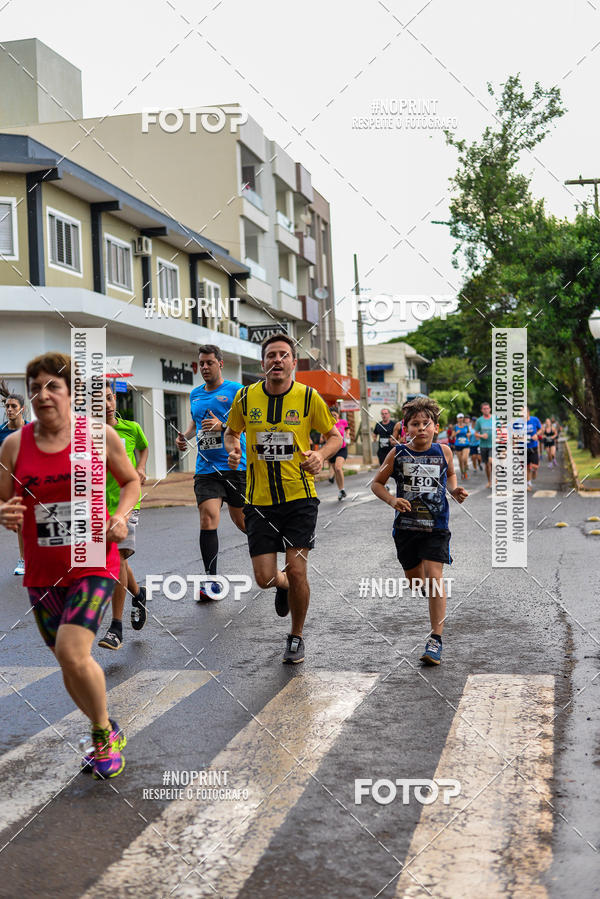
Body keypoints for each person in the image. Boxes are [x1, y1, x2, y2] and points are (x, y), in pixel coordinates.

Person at [0, 352, 140, 779]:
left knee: (71, 650)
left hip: (93, 561)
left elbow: (131, 480)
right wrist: (5, 512)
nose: (43, 395)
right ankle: (107, 725)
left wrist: (121, 516)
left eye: (53, 386)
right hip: (42, 571)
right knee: (70, 662)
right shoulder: (14, 445)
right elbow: (4, 499)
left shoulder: (99, 436)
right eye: (35, 388)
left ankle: (102, 738)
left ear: (71, 393)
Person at [224, 334, 342, 664]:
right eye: (271, 355)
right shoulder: (245, 397)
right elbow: (231, 432)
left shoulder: (308, 397)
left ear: (293, 363)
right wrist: (232, 449)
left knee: (298, 569)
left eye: (284, 355)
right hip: (259, 500)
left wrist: (320, 455)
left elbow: (334, 436)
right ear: (263, 363)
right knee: (264, 578)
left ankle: (296, 635)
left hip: (299, 498)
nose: (277, 360)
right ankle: (283, 584)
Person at [371, 396, 467, 666]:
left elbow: (449, 475)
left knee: (435, 577)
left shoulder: (444, 451)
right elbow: (376, 483)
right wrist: (392, 500)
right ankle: (425, 590)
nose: (421, 428)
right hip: (406, 528)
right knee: (416, 582)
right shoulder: (398, 454)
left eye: (427, 423)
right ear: (406, 428)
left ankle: (435, 639)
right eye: (415, 424)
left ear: (436, 427)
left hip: (436, 526)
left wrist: (454, 490)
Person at [176, 345, 246, 602]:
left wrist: (223, 425)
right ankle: (210, 582)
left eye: (209, 362)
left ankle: (270, 554)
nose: (204, 367)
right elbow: (196, 422)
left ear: (220, 364)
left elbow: (248, 422)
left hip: (235, 466)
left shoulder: (236, 390)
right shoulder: (195, 394)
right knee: (208, 519)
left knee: (243, 523)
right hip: (206, 469)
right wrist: (185, 436)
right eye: (201, 363)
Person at [97, 384, 149, 650]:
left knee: (117, 558)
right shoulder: (86, 434)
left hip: (127, 503)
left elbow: (144, 447)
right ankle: (138, 593)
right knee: (114, 560)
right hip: (99, 506)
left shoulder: (131, 428)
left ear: (115, 398)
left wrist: (141, 467)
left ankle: (115, 628)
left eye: (109, 398)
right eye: (99, 401)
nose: (106, 405)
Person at [0, 384, 29, 575]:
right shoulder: (1, 432)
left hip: (34, 482)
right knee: (20, 523)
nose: (9, 410)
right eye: (7, 406)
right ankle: (23, 560)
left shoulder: (32, 430)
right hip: (12, 484)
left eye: (13, 406)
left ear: (22, 409)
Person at [327, 408, 349, 501]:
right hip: (332, 450)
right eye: (331, 415)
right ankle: (341, 490)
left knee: (338, 468)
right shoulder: (328, 424)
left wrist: (347, 434)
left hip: (342, 449)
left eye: (335, 415)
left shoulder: (343, 422)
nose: (333, 416)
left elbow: (347, 429)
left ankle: (342, 489)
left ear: (338, 415)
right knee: (336, 471)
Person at [475, 402, 495, 489]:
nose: (486, 410)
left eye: (488, 408)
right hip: (483, 445)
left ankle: (495, 479)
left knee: (491, 461)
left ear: (490, 409)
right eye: (484, 409)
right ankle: (489, 481)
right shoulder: (479, 421)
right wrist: (482, 436)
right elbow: (476, 434)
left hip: (493, 445)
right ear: (482, 410)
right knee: (487, 465)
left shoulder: (495, 419)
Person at [526, 407, 543, 490]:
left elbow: (541, 429)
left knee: (535, 466)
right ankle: (528, 484)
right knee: (526, 467)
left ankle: (534, 470)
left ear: (528, 413)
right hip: (524, 447)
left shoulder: (535, 419)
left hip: (533, 446)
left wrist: (537, 434)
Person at [454, 413, 471, 480]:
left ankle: (466, 468)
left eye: (462, 418)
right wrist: (456, 433)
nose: (461, 419)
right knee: (460, 461)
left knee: (464, 459)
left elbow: (469, 432)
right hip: (458, 445)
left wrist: (468, 434)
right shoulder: (455, 427)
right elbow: (452, 436)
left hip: (466, 444)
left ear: (463, 418)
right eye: (459, 418)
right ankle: (462, 473)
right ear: (457, 419)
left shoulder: (466, 426)